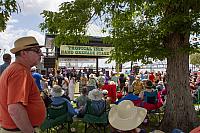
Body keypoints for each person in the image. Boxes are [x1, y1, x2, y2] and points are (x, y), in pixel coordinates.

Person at [0, 36, 46, 133]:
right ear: (24, 53)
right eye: (37, 50)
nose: (41, 53)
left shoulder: (18, 69)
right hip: (18, 130)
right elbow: (15, 109)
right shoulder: (20, 71)